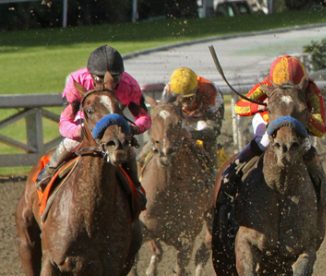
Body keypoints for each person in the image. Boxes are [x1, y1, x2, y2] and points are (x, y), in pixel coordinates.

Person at [37, 45, 151, 197]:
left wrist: (134, 129)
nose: (107, 83)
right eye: (100, 79)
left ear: (121, 76)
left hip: (116, 127)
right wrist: (78, 132)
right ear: (91, 75)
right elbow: (65, 120)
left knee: (129, 150)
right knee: (70, 143)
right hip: (87, 123)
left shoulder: (130, 85)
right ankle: (47, 173)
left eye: (115, 78)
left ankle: (136, 188)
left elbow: (144, 117)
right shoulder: (76, 81)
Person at [225, 54, 326, 207]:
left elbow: (321, 129)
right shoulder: (267, 84)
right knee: (263, 142)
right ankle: (233, 173)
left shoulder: (310, 88)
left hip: (298, 127)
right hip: (268, 120)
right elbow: (239, 106)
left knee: (308, 148)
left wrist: (305, 117)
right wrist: (261, 107)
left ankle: (322, 192)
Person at [160, 66, 224, 162]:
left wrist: (191, 134)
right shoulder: (168, 90)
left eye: (188, 98)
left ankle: (211, 171)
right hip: (180, 120)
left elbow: (213, 130)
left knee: (208, 135)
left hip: (202, 121)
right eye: (180, 98)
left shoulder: (210, 90)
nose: (184, 103)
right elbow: (164, 120)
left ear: (197, 89)